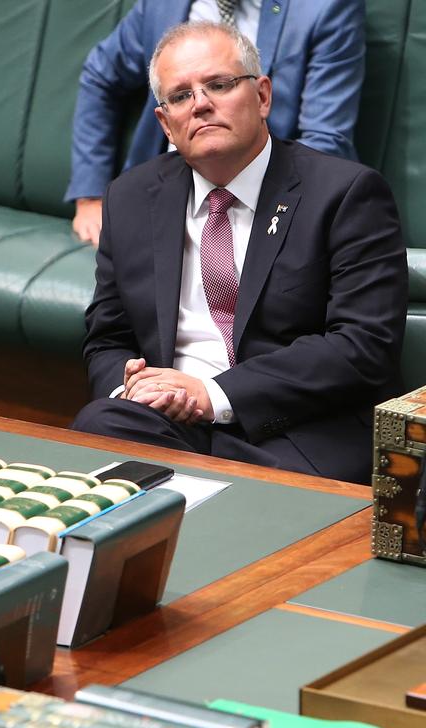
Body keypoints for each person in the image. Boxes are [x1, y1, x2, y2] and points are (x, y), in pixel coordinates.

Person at [70, 21, 406, 484]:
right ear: (166, 123)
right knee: (99, 425)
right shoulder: (130, 197)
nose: (201, 103)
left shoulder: (345, 193)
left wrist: (214, 395)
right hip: (168, 424)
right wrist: (135, 388)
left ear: (263, 96)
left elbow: (362, 346)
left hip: (293, 430)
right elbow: (108, 337)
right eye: (181, 96)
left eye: (219, 84)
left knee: (273, 501)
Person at [67, 0, 365, 246]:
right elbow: (100, 77)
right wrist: (91, 196)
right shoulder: (160, 5)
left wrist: (263, 219)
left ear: (263, 94)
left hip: (265, 202)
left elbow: (324, 139)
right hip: (159, 202)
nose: (201, 103)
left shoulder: (324, 7)